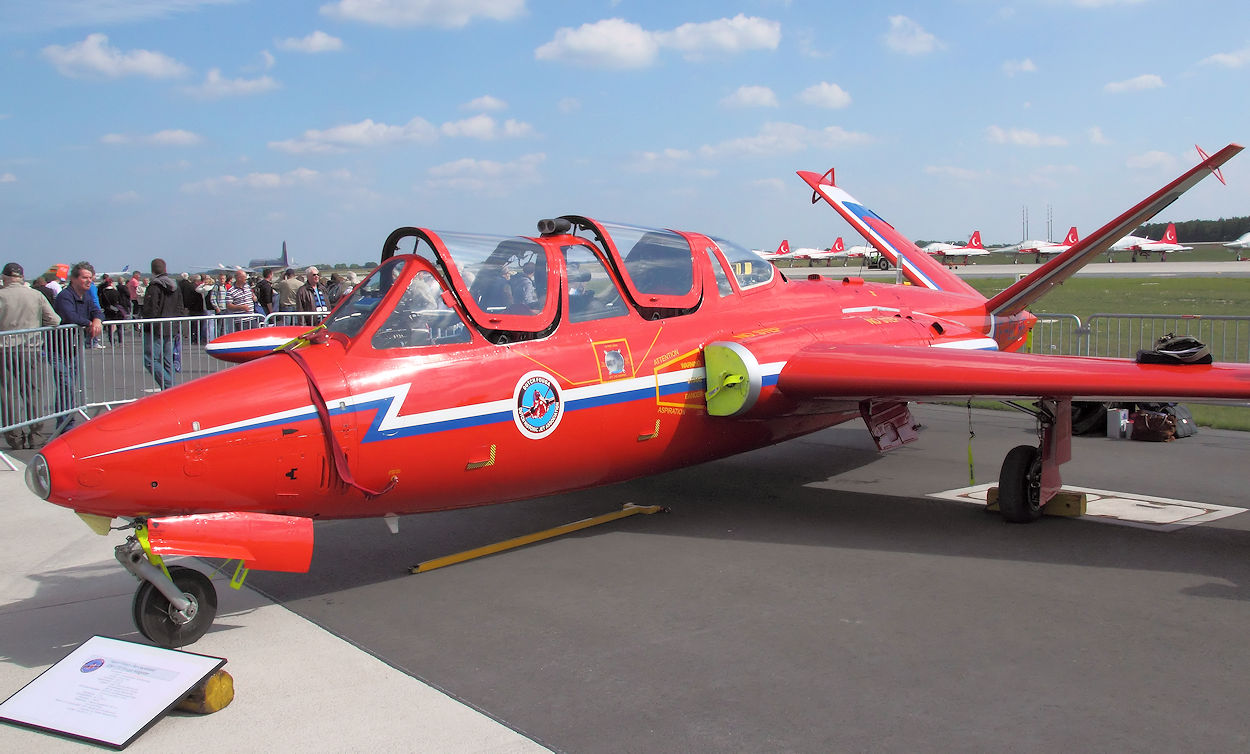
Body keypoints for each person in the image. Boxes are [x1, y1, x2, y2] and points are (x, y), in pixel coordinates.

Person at [0, 262, 61, 448]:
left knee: (9, 394)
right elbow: (55, 320)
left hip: (5, 349)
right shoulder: (36, 294)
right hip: (31, 348)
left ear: (4, 277)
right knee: (35, 392)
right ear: (22, 277)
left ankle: (15, 437)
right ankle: (37, 435)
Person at [51, 261, 103, 434]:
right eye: (84, 278)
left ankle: (66, 422)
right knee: (66, 385)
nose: (88, 281)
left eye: (90, 278)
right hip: (58, 349)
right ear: (74, 279)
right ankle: (65, 425)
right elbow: (69, 315)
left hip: (73, 348)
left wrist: (97, 320)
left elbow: (97, 310)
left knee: (70, 386)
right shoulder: (65, 296)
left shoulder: (87, 296)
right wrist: (88, 323)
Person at [140, 258, 186, 391]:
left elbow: (151, 309)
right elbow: (180, 307)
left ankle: (169, 386)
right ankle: (169, 389)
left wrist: (147, 324)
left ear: (152, 270)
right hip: (171, 326)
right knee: (167, 360)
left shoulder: (154, 286)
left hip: (156, 328)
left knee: (150, 360)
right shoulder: (175, 286)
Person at [98, 274, 128, 345]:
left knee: (110, 327)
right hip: (117, 311)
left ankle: (111, 341)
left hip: (108, 310)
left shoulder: (103, 293)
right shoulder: (116, 292)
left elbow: (101, 303)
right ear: (111, 283)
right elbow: (120, 301)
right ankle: (120, 341)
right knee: (119, 326)